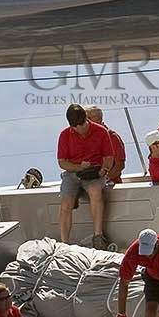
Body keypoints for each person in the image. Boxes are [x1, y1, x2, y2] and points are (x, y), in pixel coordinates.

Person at [56, 103, 116, 249]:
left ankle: (98, 236)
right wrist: (78, 167)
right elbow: (62, 162)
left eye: (82, 124)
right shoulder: (65, 135)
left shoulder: (101, 131)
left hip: (94, 173)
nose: (80, 129)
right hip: (73, 173)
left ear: (86, 120)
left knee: (95, 192)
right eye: (75, 127)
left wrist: (104, 169)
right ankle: (64, 244)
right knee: (66, 203)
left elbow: (109, 156)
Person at [83, 106, 126, 184]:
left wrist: (105, 179)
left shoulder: (111, 137)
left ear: (99, 119)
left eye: (87, 118)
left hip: (109, 184)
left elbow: (120, 165)